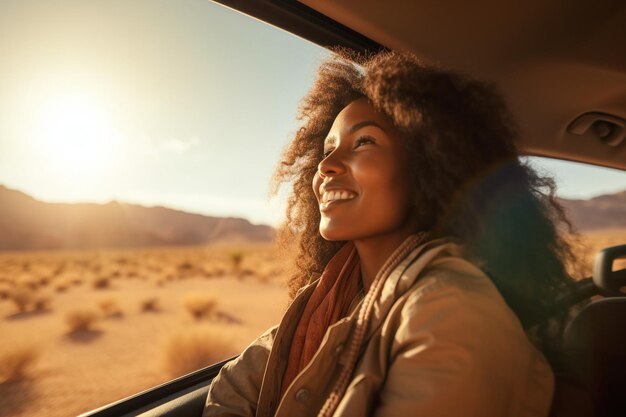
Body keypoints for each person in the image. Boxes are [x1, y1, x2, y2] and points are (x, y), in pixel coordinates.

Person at [203, 51, 577, 417]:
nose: (327, 166)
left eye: (364, 141)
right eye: (327, 149)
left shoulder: (450, 311)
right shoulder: (334, 297)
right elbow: (233, 387)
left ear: (429, 165)